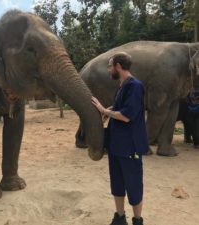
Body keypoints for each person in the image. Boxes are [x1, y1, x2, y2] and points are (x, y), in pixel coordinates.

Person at [91, 52, 148, 225]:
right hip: (116, 145)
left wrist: (104, 110)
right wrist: (110, 110)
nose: (109, 70)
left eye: (110, 66)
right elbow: (120, 109)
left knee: (133, 185)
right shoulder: (122, 86)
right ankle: (120, 217)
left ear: (118, 66)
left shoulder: (135, 86)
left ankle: (137, 220)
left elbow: (126, 116)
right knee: (117, 182)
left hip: (130, 146)